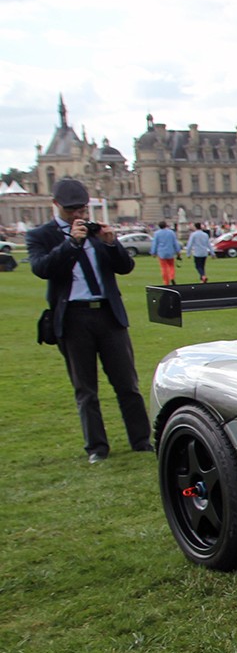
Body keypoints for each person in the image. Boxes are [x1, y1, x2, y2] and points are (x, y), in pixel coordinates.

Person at [26, 178, 154, 463]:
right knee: (86, 388)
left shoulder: (96, 232)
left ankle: (141, 440)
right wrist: (72, 242)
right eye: (71, 209)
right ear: (56, 205)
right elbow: (42, 268)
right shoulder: (41, 235)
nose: (78, 214)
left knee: (127, 383)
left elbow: (125, 267)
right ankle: (97, 447)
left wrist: (111, 244)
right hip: (73, 317)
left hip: (108, 314)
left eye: (82, 208)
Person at [151, 220, 180, 285]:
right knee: (171, 266)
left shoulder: (157, 233)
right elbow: (175, 243)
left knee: (164, 268)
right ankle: (172, 277)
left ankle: (166, 282)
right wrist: (178, 251)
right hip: (170, 252)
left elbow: (155, 244)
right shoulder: (171, 232)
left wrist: (153, 252)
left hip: (161, 253)